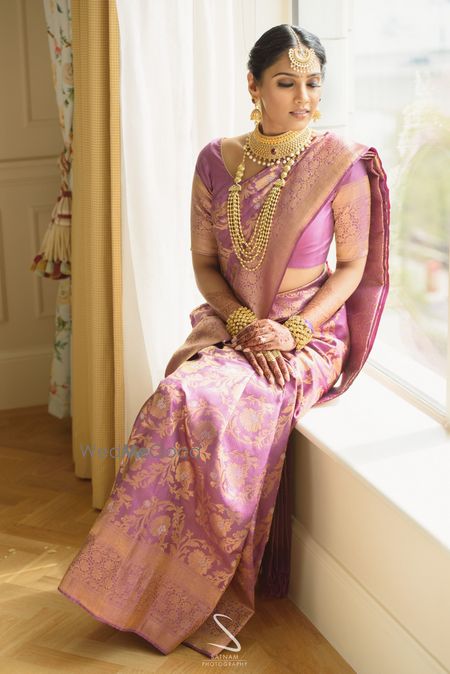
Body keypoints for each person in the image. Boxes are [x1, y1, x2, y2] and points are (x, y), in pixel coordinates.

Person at [58, 24, 390, 659]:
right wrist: (241, 323)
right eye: (286, 83)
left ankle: (191, 592)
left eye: (314, 83)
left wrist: (291, 330)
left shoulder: (338, 162)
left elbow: (351, 268)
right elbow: (205, 264)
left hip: (306, 335)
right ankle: (136, 580)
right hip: (233, 324)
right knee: (175, 399)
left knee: (206, 405)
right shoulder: (217, 159)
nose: (304, 98)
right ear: (254, 86)